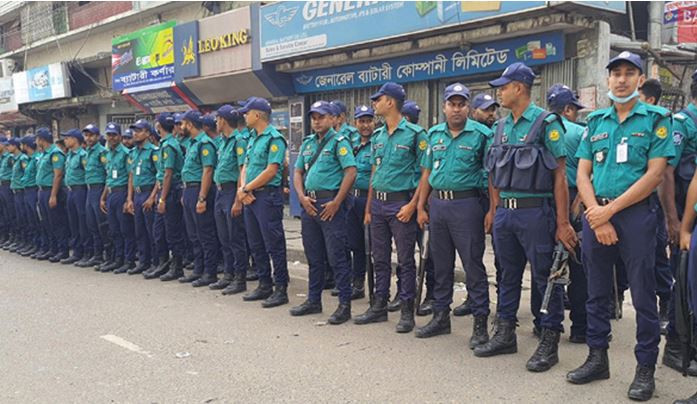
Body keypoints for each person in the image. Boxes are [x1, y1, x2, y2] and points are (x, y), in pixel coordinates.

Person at [566, 52, 674, 401]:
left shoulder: (657, 119)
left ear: (640, 80)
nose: (622, 79)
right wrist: (596, 212)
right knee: (596, 292)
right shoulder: (595, 122)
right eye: (616, 74)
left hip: (636, 216)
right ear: (608, 79)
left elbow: (656, 173)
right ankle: (598, 358)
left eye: (630, 73)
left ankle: (645, 369)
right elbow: (583, 173)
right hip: (597, 214)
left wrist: (608, 211)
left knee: (643, 295)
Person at [474, 62, 577, 375]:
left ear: (519, 87)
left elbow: (559, 175)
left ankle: (549, 339)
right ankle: (505, 333)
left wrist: (562, 223)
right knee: (507, 274)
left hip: (537, 212)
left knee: (547, 276)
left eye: (503, 87)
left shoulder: (547, 123)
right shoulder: (500, 128)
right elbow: (493, 173)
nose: (499, 93)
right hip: (506, 212)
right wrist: (493, 209)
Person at [414, 83, 491, 349]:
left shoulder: (481, 135)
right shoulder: (434, 135)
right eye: (452, 103)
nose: (456, 108)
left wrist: (492, 209)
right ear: (444, 106)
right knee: (442, 265)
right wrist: (421, 206)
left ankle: (480, 323)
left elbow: (491, 176)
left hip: (467, 205)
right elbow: (426, 174)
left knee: (472, 265)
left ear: (468, 107)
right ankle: (440, 316)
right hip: (438, 206)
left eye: (461, 104)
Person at [353, 82, 428, 333]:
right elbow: (375, 171)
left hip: (400, 203)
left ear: (391, 102)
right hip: (378, 204)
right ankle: (379, 306)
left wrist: (414, 205)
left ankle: (407, 311)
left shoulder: (416, 134)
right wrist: (369, 207)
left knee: (405, 260)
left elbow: (425, 173)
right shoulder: (378, 135)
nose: (375, 103)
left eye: (379, 99)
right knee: (379, 258)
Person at [290, 100, 357, 324]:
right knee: (314, 255)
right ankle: (313, 300)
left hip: (330, 205)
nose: (317, 121)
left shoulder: (339, 141)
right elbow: (297, 172)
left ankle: (344, 306)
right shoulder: (308, 143)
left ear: (332, 119)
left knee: (336, 256)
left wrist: (337, 201)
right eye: (314, 117)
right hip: (309, 203)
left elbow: (350, 171)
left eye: (321, 117)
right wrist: (300, 197)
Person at [661, 72, 697, 375]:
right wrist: (673, 220)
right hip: (688, 218)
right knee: (683, 284)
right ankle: (675, 347)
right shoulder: (683, 122)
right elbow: (667, 173)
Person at [238, 97, 290, 308]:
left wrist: (247, 188)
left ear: (257, 114)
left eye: (247, 112)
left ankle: (281, 288)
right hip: (250, 196)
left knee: (274, 244)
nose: (244, 116)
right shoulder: (252, 137)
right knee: (255, 242)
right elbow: (245, 165)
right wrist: (243, 188)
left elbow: (272, 170)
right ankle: (264, 283)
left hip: (267, 197)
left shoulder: (274, 138)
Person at [547, 83, 589, 344]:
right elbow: (593, 170)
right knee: (579, 267)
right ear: (568, 109)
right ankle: (580, 327)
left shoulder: (540, 129)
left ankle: (548, 324)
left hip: (547, 202)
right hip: (577, 200)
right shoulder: (581, 132)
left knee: (549, 263)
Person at [454, 92, 501, 317]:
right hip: (476, 196)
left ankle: (501, 301)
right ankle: (473, 298)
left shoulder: (498, 132)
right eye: (485, 110)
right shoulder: (473, 134)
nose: (491, 114)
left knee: (499, 254)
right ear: (474, 112)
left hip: (492, 199)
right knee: (472, 253)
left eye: (493, 109)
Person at [208, 105, 249, 294]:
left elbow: (242, 170)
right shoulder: (223, 141)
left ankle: (240, 278)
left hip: (232, 191)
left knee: (235, 237)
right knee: (223, 237)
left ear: (223, 120)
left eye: (217, 119)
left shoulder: (238, 141)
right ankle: (228, 274)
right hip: (219, 192)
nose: (216, 123)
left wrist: (238, 199)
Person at [178, 110, 220, 287]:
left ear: (190, 124)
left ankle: (209, 272)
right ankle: (198, 269)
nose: (181, 127)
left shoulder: (205, 144)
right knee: (193, 234)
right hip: (189, 190)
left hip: (199, 190)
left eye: (183, 123)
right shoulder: (192, 143)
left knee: (205, 233)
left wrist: (202, 198)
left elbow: (207, 170)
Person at [152, 113, 188, 282]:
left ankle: (177, 266)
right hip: (165, 189)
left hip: (171, 191)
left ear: (159, 125)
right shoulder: (166, 144)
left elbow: (168, 174)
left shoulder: (169, 146)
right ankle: (164, 263)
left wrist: (162, 199)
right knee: (161, 231)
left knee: (173, 231)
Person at [345, 105, 375, 299]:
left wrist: (370, 207)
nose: (365, 125)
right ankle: (357, 283)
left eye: (368, 121)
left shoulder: (378, 142)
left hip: (368, 199)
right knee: (354, 243)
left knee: (371, 246)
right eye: (361, 121)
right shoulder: (351, 142)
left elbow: (374, 175)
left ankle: (375, 287)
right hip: (351, 199)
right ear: (355, 123)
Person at [99, 123, 136, 273]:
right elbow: (109, 178)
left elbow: (130, 177)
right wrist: (103, 197)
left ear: (120, 137)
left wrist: (129, 199)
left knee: (125, 229)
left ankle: (129, 260)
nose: (111, 138)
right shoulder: (108, 154)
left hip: (122, 193)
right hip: (111, 194)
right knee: (113, 230)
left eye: (114, 135)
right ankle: (117, 259)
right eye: (109, 135)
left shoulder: (126, 154)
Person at [126, 119, 160, 275]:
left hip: (148, 193)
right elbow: (131, 176)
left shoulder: (153, 151)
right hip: (137, 194)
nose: (135, 133)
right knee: (139, 230)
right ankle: (143, 261)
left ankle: (156, 262)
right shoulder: (133, 153)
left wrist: (152, 197)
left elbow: (159, 176)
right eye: (134, 130)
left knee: (151, 231)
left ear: (147, 133)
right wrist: (129, 199)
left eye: (139, 130)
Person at [35, 127, 70, 263]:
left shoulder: (56, 153)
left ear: (42, 140)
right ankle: (52, 248)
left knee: (57, 222)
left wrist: (53, 195)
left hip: (51, 191)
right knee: (46, 221)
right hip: (42, 190)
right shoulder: (44, 154)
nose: (36, 142)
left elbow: (58, 175)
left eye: (37, 139)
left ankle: (62, 250)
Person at [78, 123, 109, 269]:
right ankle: (97, 256)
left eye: (91, 135)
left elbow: (108, 174)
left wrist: (103, 195)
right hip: (89, 191)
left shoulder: (102, 152)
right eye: (86, 135)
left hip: (99, 189)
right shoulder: (87, 152)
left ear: (97, 136)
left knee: (102, 224)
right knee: (91, 224)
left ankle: (108, 256)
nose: (88, 138)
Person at [61, 129, 89, 266]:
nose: (65, 141)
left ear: (75, 140)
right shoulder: (69, 155)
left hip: (80, 190)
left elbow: (87, 174)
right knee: (73, 222)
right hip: (70, 190)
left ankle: (86, 252)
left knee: (82, 221)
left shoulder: (83, 155)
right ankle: (77, 252)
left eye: (67, 138)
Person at [19, 136, 40, 257]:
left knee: (36, 219)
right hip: (26, 190)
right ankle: (33, 244)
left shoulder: (36, 159)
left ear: (26, 146)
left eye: (23, 145)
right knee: (29, 219)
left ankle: (40, 245)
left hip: (33, 190)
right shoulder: (29, 159)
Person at [8, 138, 27, 253]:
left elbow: (27, 174)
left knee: (24, 217)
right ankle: (21, 240)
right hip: (14, 189)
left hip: (21, 190)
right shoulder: (14, 159)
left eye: (9, 145)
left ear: (15, 146)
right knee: (17, 217)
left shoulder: (23, 159)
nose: (8, 147)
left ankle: (28, 242)